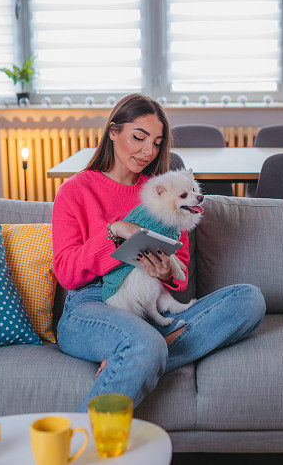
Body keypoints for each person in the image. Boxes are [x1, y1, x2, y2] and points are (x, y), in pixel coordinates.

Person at [52, 93, 265, 412]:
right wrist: (114, 232)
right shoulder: (75, 190)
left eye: (156, 142)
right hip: (91, 306)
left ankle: (139, 353)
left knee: (249, 299)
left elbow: (179, 276)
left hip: (150, 305)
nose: (147, 151)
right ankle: (141, 352)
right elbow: (67, 273)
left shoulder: (165, 193)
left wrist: (166, 271)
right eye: (138, 137)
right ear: (113, 131)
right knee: (144, 342)